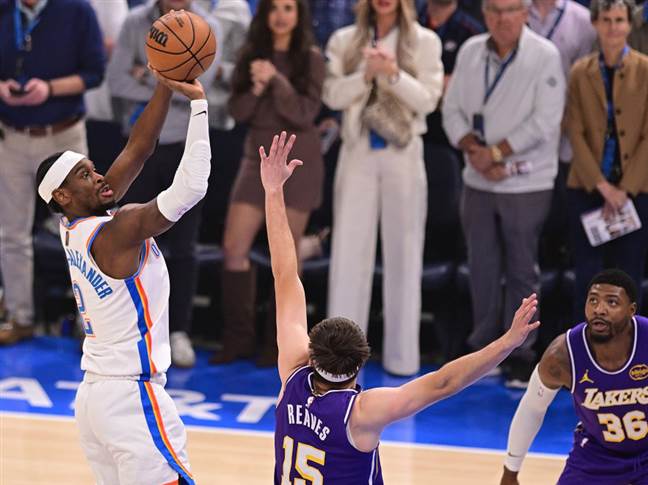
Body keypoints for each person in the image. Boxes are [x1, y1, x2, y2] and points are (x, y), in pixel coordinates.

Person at [259, 131, 540, 483]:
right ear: (358, 365)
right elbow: (444, 383)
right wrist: (508, 343)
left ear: (312, 355)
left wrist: (273, 191)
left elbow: (285, 274)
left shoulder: (293, 372)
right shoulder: (361, 412)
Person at [35, 71, 209, 484]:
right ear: (63, 196)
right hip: (131, 398)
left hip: (96, 400)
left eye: (94, 169)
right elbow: (191, 188)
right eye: (85, 175)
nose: (99, 177)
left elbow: (139, 147)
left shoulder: (74, 224)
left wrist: (165, 83)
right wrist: (199, 106)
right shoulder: (117, 231)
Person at [442, 0, 565, 388]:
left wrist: (495, 154)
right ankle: (483, 349)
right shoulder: (470, 50)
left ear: (525, 13)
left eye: (511, 10)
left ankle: (521, 354)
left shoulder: (545, 55)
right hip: (477, 178)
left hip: (526, 180)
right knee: (481, 264)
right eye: (494, 10)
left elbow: (545, 120)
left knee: (521, 268)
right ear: (484, 14)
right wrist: (474, 151)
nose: (502, 18)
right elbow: (451, 110)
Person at [324, 0, 444, 377]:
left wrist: (393, 74)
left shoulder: (425, 41)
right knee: (348, 255)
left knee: (405, 254)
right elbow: (331, 95)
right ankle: (340, 358)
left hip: (403, 152)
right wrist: (365, 74)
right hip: (357, 151)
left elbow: (429, 100)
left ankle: (402, 358)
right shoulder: (344, 39)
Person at [211, 0, 325, 366]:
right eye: (274, 7)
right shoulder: (250, 54)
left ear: (299, 15)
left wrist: (277, 81)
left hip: (298, 159)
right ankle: (237, 337)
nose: (280, 15)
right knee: (234, 247)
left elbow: (303, 113)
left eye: (288, 8)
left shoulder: (311, 58)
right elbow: (238, 111)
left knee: (286, 256)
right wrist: (258, 88)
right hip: (256, 158)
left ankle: (281, 345)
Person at [107, 0, 220, 367]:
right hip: (140, 145)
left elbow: (208, 88)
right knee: (127, 238)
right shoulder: (134, 22)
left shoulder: (207, 26)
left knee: (185, 246)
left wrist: (149, 75)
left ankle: (179, 331)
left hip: (186, 145)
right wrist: (170, 83)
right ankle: (120, 323)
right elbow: (116, 80)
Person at [0, 0, 105, 344]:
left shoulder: (77, 10)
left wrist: (50, 89)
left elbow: (95, 72)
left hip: (63, 135)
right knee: (11, 234)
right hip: (11, 135)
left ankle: (90, 322)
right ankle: (20, 316)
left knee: (83, 230)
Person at [500, 269, 648, 484]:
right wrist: (510, 473)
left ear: (631, 310)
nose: (599, 309)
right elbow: (532, 408)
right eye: (593, 300)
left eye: (612, 302)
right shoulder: (561, 356)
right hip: (597, 455)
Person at [564, 0, 648, 320]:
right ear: (595, 24)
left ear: (629, 24)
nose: (613, 27)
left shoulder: (645, 69)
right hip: (588, 188)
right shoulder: (579, 72)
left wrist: (623, 190)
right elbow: (575, 131)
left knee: (629, 276)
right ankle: (585, 345)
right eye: (607, 20)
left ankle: (630, 346)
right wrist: (603, 187)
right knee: (588, 277)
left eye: (619, 20)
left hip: (635, 191)